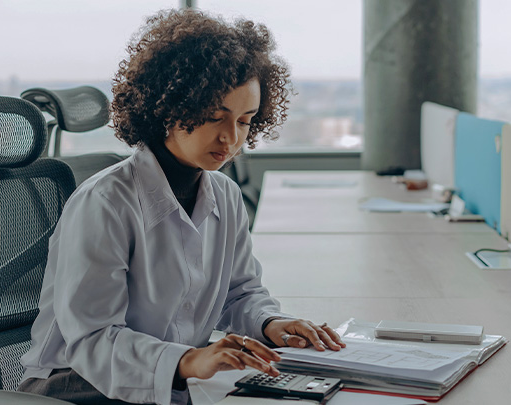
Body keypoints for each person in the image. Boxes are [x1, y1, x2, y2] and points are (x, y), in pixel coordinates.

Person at [18, 8, 345, 405]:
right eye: (214, 117)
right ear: (169, 108)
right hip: (75, 385)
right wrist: (188, 360)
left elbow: (239, 292)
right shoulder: (104, 203)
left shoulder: (224, 195)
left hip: (169, 379)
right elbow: (91, 339)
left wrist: (271, 323)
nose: (231, 138)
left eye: (245, 120)